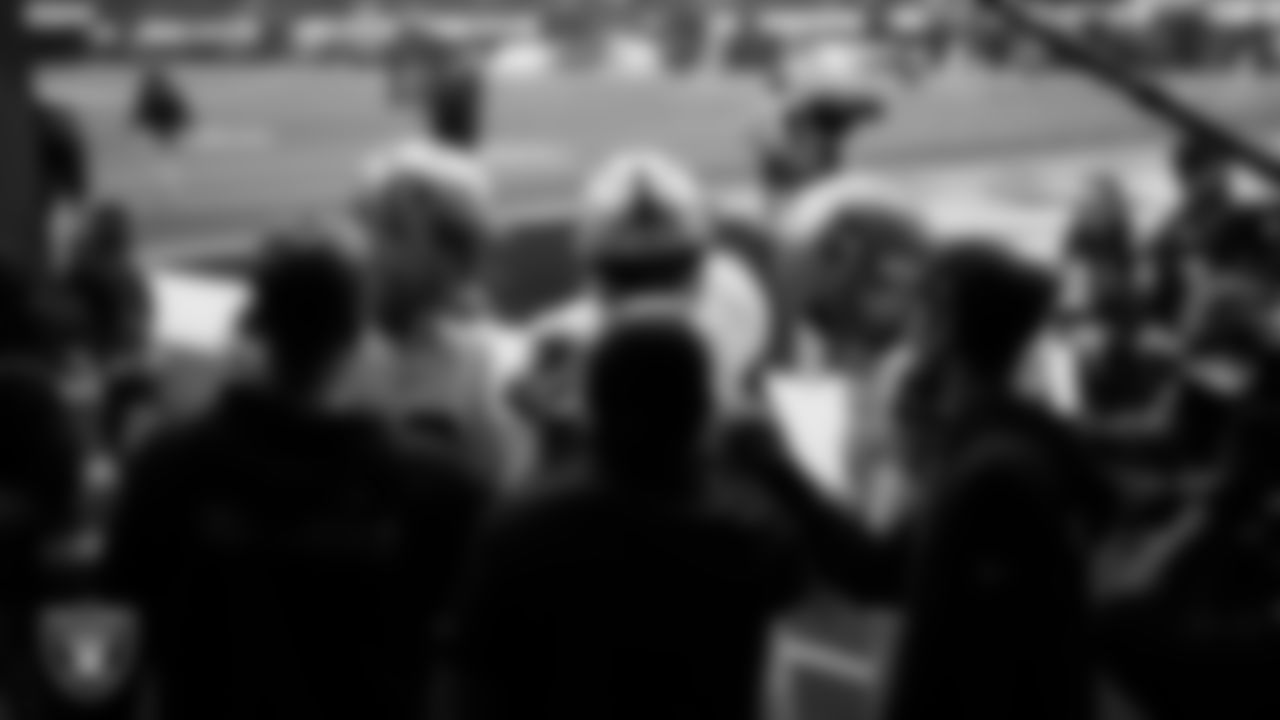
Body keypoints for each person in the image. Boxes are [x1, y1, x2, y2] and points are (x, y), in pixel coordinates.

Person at [107, 234, 493, 720]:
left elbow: (114, 625)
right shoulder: (438, 484)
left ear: (255, 323)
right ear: (359, 333)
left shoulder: (170, 466)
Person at [740, 241, 1112, 720]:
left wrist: (774, 464)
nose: (906, 328)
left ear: (943, 326)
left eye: (919, 309)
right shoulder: (1028, 441)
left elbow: (878, 573)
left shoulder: (986, 471)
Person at [448, 315, 807, 720]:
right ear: (702, 407)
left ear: (594, 402)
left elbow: (474, 675)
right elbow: (794, 585)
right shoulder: (751, 530)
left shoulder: (519, 525)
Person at [516, 150, 775, 467]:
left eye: (668, 270)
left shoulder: (732, 297)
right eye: (628, 275)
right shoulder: (559, 345)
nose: (649, 296)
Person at [342, 141, 532, 487]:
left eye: (465, 246)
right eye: (451, 241)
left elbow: (492, 484)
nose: (461, 266)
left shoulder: (472, 356)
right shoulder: (312, 337)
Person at [131, 65, 193, 149]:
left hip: (162, 116)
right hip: (160, 116)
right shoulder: (153, 95)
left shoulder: (164, 97)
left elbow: (180, 111)